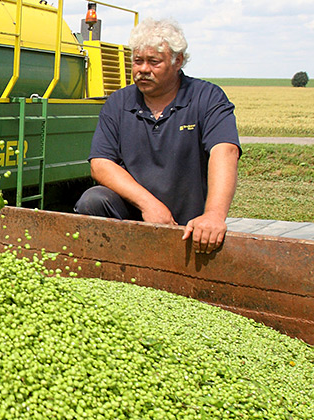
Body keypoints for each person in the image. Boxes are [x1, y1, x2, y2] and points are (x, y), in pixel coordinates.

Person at [74, 18, 241, 254]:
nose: (143, 69)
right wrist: (149, 205)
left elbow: (225, 150)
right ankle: (109, 264)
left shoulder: (207, 98)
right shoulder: (118, 103)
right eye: (138, 61)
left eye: (154, 62)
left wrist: (213, 215)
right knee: (93, 200)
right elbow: (101, 164)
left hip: (186, 223)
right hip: (135, 215)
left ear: (177, 61)